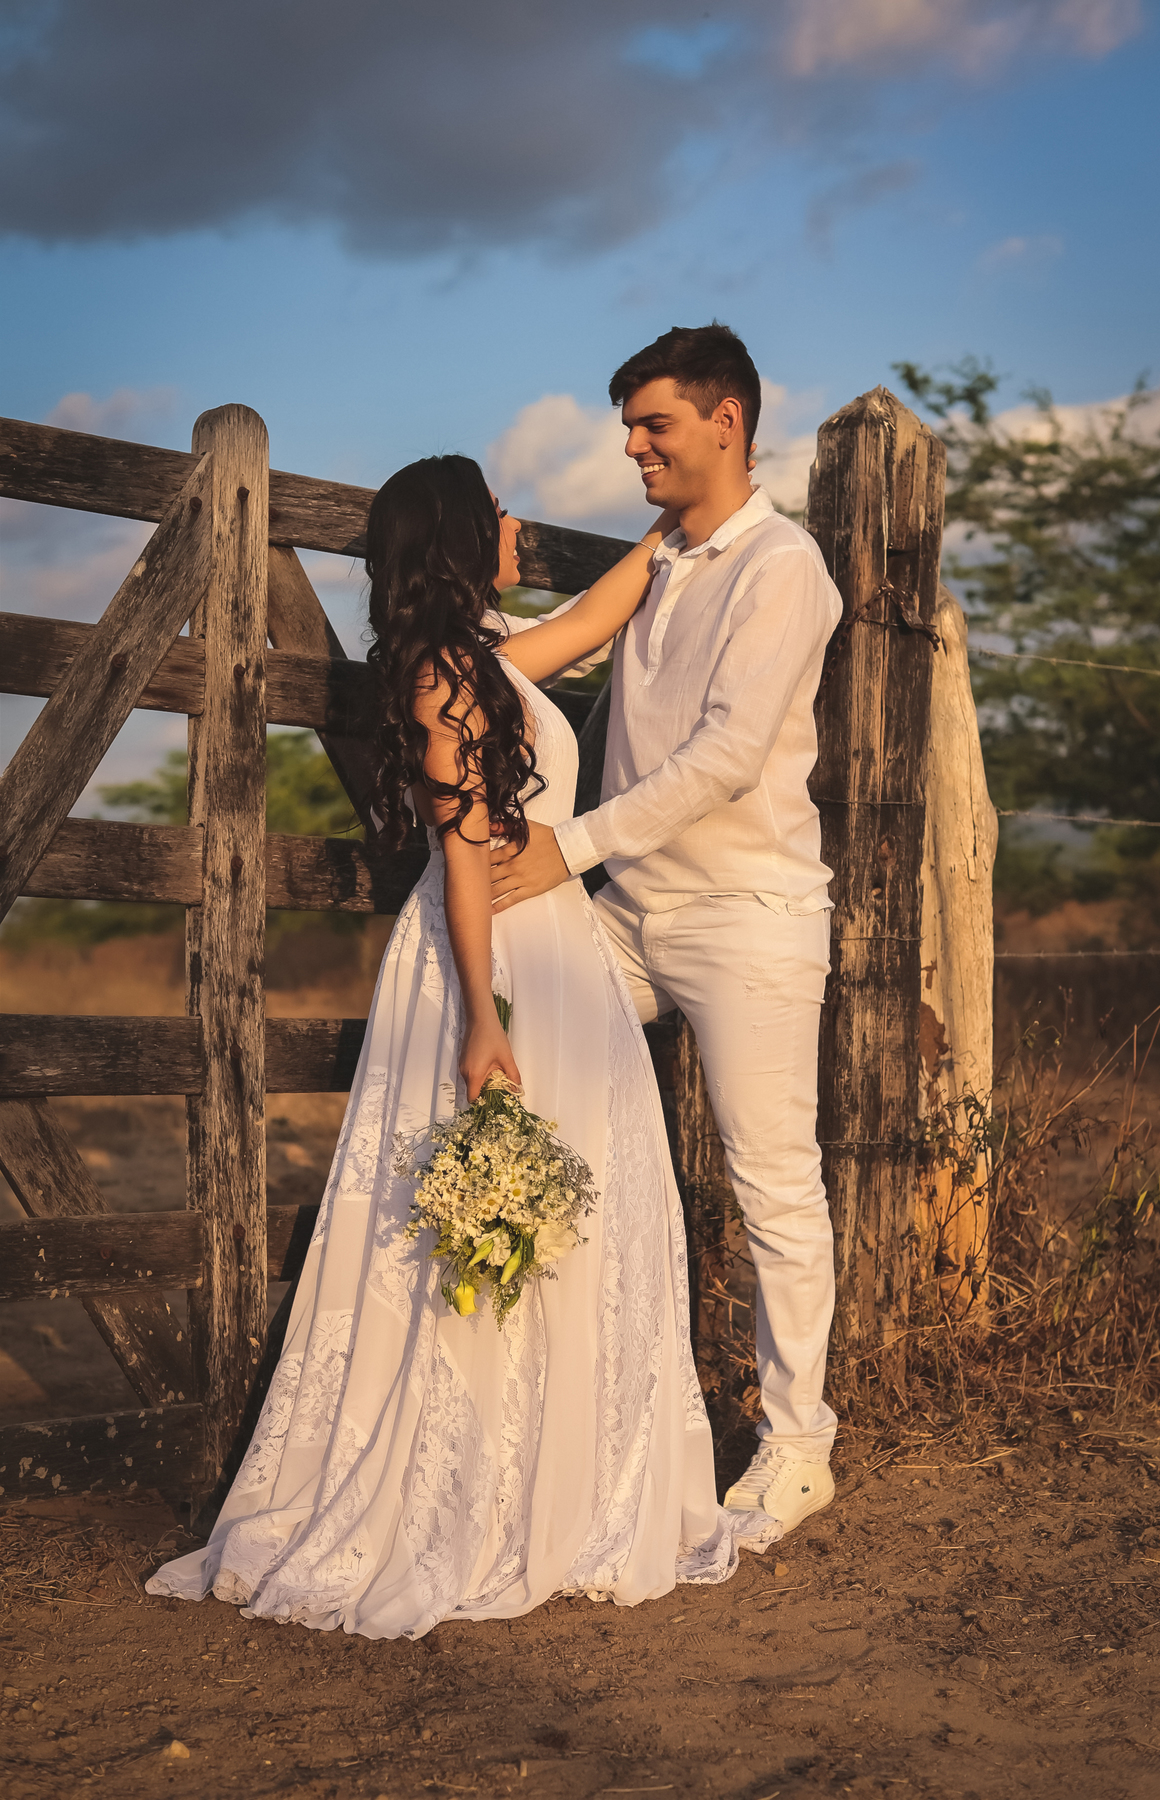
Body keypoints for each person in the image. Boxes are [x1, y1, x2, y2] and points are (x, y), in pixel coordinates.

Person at [147, 453, 770, 1641]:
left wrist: (686, 515)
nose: (516, 523)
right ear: (458, 535)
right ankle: (488, 1489)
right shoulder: (442, 678)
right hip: (499, 959)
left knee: (580, 1208)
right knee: (482, 1211)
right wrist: (484, 1018)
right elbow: (471, 857)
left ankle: (568, 1468)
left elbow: (591, 619)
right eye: (495, 513)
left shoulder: (478, 661)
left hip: (558, 949)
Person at [491, 324, 843, 1535]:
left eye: (654, 425)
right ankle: (563, 1395)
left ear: (727, 420)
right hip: (633, 917)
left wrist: (568, 851)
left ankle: (800, 1446)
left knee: (773, 1186)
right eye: (629, 428)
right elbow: (544, 652)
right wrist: (471, 591)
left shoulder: (782, 566)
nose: (633, 446)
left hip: (748, 919)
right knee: (512, 1070)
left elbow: (729, 758)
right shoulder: (666, 555)